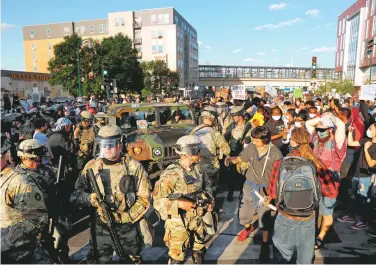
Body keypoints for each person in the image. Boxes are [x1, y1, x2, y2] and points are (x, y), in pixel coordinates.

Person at [74, 125, 151, 264]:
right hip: (100, 226)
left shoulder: (134, 167)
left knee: (132, 260)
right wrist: (89, 198)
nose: (107, 148)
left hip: (127, 226)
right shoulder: (91, 166)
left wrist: (125, 217)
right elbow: (77, 194)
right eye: (104, 144)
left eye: (111, 144)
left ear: (121, 144)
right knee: (98, 260)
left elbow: (144, 199)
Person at [264, 128, 326, 264]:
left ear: (293, 142)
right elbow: (324, 190)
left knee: (282, 254)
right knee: (306, 256)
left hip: (286, 215)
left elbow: (273, 193)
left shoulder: (281, 163)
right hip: (308, 216)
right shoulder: (315, 163)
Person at [153, 135, 215, 264]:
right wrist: (178, 204)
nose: (200, 153)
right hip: (178, 223)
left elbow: (207, 188)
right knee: (177, 257)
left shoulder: (199, 169)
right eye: (197, 150)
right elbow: (158, 202)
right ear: (189, 152)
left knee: (200, 250)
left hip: (198, 219)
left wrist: (210, 201)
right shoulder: (171, 174)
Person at [226, 126, 282, 261]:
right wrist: (230, 159)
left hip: (266, 188)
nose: (254, 143)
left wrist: (271, 194)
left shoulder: (276, 153)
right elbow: (241, 159)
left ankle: (265, 243)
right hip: (249, 184)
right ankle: (248, 227)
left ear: (265, 139)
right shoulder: (251, 147)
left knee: (264, 216)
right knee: (244, 212)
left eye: (257, 141)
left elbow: (278, 177)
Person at [0, 136, 53, 264]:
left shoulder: (19, 182)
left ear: (6, 155)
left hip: (19, 251)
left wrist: (4, 241)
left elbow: (37, 220)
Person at [14, 139, 62, 261]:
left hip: (50, 219)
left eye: (39, 159)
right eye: (32, 159)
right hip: (30, 228)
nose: (37, 162)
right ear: (22, 158)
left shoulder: (45, 170)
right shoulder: (17, 179)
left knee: (54, 251)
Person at [306, 113, 346, 248]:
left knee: (327, 211)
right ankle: (312, 231)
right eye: (317, 129)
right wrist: (321, 120)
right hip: (314, 179)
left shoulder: (337, 143)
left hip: (330, 184)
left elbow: (341, 125)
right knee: (312, 208)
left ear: (330, 129)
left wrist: (331, 117)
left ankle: (321, 237)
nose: (319, 132)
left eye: (322, 130)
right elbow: (308, 124)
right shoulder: (315, 137)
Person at [337, 123, 376, 231]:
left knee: (363, 198)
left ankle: (364, 220)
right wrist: (350, 132)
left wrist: (366, 150)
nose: (369, 130)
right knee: (355, 195)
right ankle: (352, 215)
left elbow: (372, 163)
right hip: (357, 173)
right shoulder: (365, 140)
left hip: (366, 175)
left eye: (371, 128)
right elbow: (351, 142)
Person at [190, 106, 230, 199]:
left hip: (196, 166)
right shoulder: (213, 132)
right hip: (211, 166)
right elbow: (226, 149)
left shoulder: (194, 130)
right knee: (211, 189)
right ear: (212, 118)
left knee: (199, 190)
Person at [224, 105, 252, 201]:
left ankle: (241, 192)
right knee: (231, 175)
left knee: (243, 175)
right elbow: (224, 140)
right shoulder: (231, 127)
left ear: (240, 116)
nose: (233, 118)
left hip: (244, 155)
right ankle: (230, 192)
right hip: (232, 153)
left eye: (234, 116)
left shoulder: (249, 127)